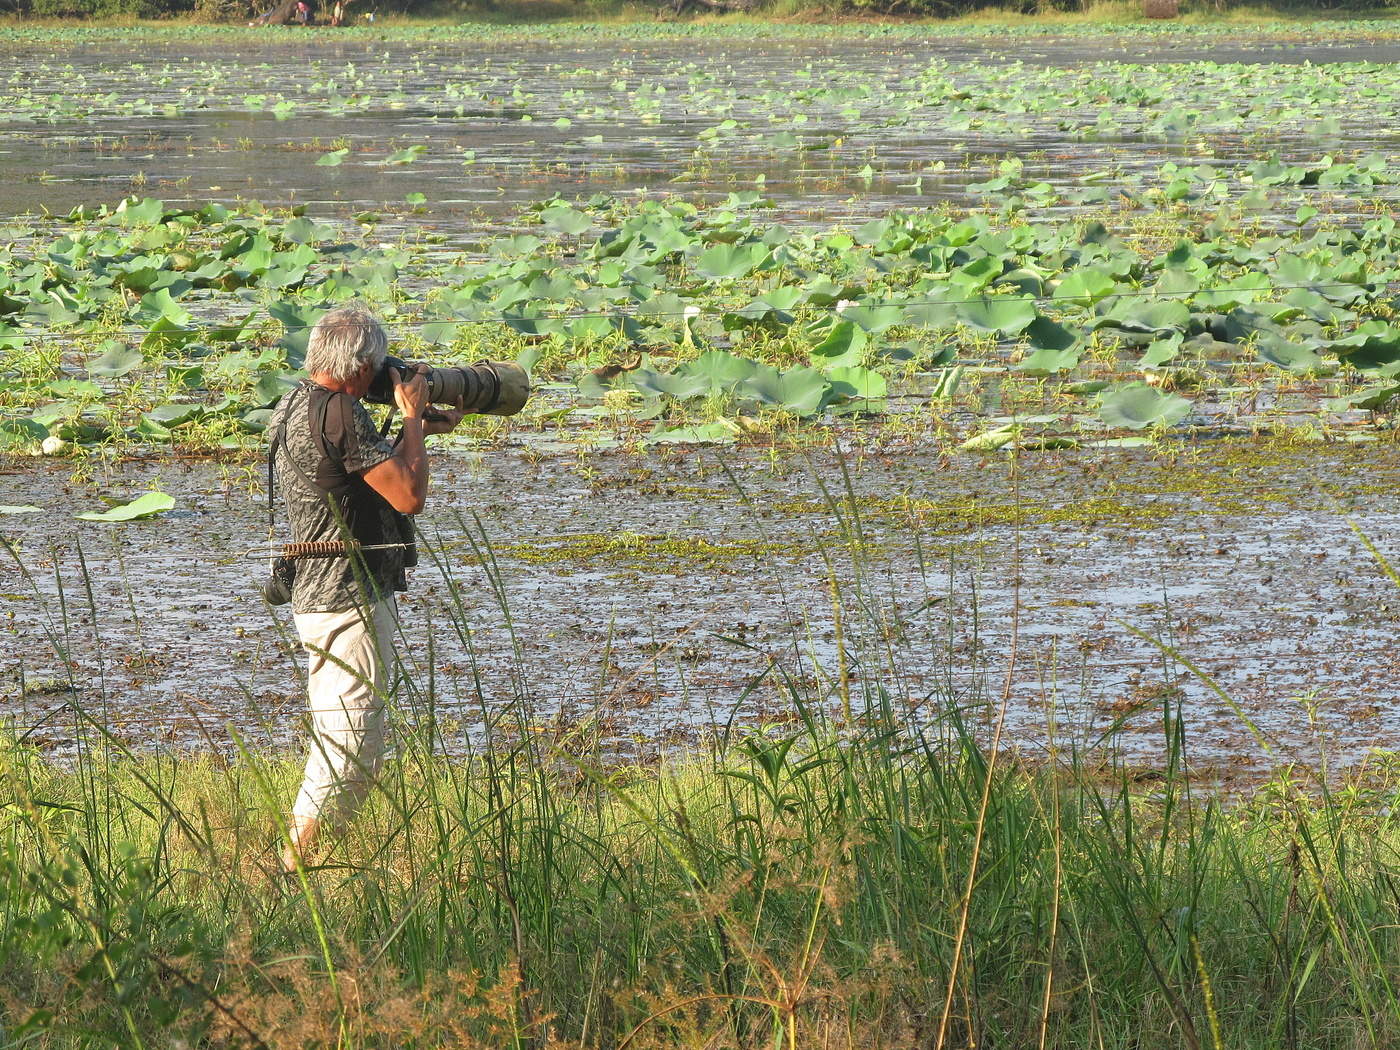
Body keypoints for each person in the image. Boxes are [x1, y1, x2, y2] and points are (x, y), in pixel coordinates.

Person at [266, 306, 463, 874]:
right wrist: (411, 416)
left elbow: (360, 475)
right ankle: (297, 863)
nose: (384, 375)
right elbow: (407, 496)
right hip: (345, 593)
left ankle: (306, 856)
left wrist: (414, 428)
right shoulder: (342, 415)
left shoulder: (300, 403)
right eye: (378, 366)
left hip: (318, 591)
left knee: (344, 729)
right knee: (352, 737)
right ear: (358, 366)